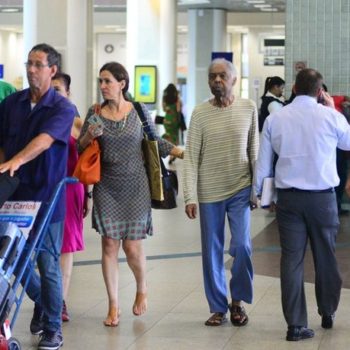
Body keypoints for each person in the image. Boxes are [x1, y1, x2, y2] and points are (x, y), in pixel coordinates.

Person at [77, 62, 184, 327]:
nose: (103, 86)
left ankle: (142, 287)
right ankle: (113, 305)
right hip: (107, 187)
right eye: (100, 81)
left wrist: (181, 152)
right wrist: (89, 135)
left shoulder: (137, 110)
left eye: (108, 81)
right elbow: (79, 149)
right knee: (109, 245)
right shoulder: (95, 113)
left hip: (136, 186)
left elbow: (154, 141)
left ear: (122, 83)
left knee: (132, 247)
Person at [254, 68, 350, 341]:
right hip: (323, 199)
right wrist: (334, 110)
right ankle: (328, 311)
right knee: (326, 257)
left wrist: (260, 196)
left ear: (294, 88)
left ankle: (295, 325)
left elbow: (263, 162)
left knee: (291, 261)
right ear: (320, 92)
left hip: (289, 200)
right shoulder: (331, 116)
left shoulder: (276, 118)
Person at [0, 43, 75, 350]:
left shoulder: (62, 107)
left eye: (38, 64)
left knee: (48, 263)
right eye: (28, 63)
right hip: (14, 194)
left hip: (46, 194)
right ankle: (45, 304)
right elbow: (2, 142)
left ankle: (53, 328)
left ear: (52, 70)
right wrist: (5, 162)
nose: (31, 69)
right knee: (13, 260)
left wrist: (16, 160)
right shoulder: (12, 103)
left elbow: (44, 141)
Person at [183, 58, 259, 327]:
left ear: (234, 79)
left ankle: (237, 301)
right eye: (213, 76)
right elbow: (191, 157)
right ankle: (218, 307)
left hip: (240, 188)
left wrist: (256, 189)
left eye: (223, 76)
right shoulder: (200, 113)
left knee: (242, 245)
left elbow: (254, 151)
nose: (217, 81)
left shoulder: (249, 108)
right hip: (209, 192)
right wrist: (189, 196)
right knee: (212, 251)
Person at [51, 72, 90, 322]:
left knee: (65, 249)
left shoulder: (77, 123)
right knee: (44, 250)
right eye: (50, 88)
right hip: (44, 188)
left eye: (58, 89)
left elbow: (87, 162)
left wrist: (89, 194)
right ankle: (47, 298)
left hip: (70, 189)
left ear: (68, 93)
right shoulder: (38, 119)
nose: (53, 93)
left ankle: (59, 302)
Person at [162, 83, 182, 164]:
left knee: (168, 137)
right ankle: (172, 156)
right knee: (174, 137)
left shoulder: (164, 97)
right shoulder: (176, 97)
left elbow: (164, 109)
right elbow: (178, 109)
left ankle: (170, 154)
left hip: (167, 120)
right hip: (174, 120)